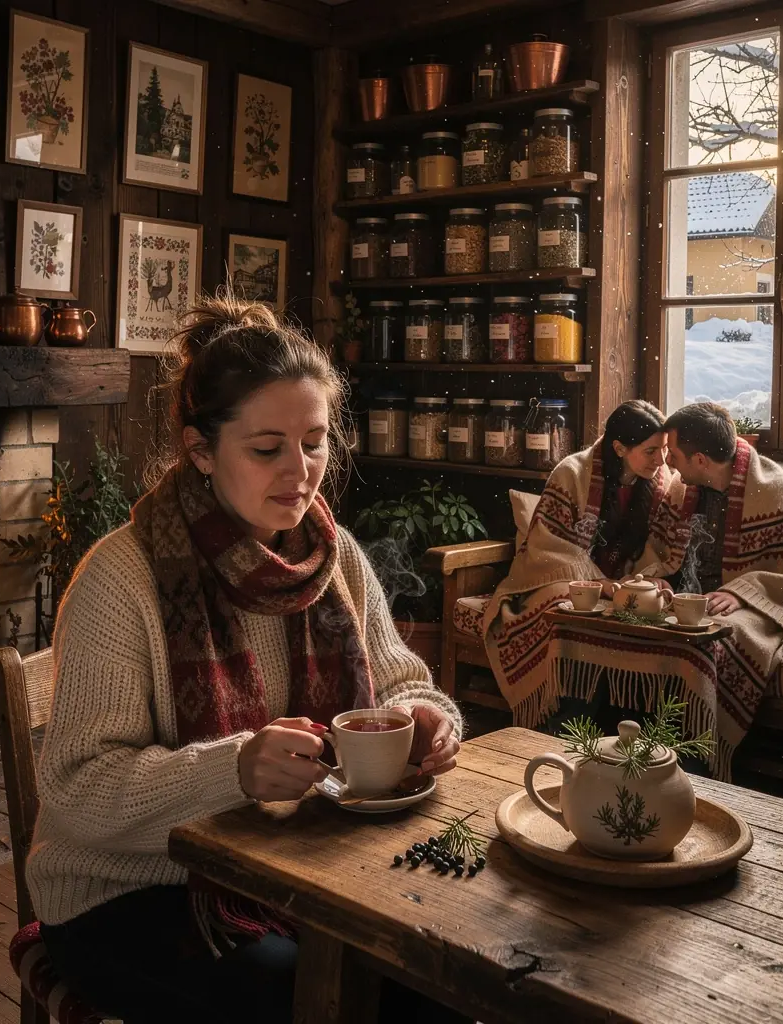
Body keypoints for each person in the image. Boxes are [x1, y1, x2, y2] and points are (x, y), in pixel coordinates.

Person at [27, 289, 465, 1023]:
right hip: (131, 893)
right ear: (201, 450)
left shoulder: (334, 557)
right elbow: (75, 792)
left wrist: (426, 718)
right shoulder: (121, 576)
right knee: (309, 1002)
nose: (301, 471)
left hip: (303, 868)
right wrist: (231, 770)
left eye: (316, 441)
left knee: (441, 981)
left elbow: (406, 685)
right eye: (268, 449)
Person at [480, 400, 695, 726]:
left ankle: (630, 725)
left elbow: (660, 548)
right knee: (568, 607)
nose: (661, 460)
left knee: (652, 612)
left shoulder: (662, 481)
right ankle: (564, 722)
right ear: (620, 448)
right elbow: (548, 547)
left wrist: (650, 578)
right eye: (651, 451)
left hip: (624, 584)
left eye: (665, 450)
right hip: (559, 580)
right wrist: (599, 583)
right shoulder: (573, 473)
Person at [664, 402, 783, 772]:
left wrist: (741, 590)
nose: (668, 463)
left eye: (673, 455)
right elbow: (664, 551)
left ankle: (698, 761)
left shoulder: (778, 491)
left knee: (712, 642)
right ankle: (645, 749)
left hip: (764, 609)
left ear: (701, 460)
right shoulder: (684, 488)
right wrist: (660, 576)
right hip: (696, 599)